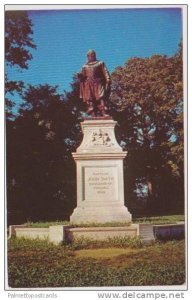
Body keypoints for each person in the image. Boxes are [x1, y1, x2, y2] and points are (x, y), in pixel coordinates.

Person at [77, 49, 111, 117]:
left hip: (98, 83)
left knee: (101, 97)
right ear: (87, 56)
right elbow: (83, 76)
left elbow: (105, 72)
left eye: (92, 54)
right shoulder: (85, 66)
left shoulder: (100, 63)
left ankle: (104, 112)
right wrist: (80, 75)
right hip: (89, 84)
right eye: (89, 55)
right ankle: (93, 114)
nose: (91, 56)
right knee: (91, 99)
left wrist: (108, 79)